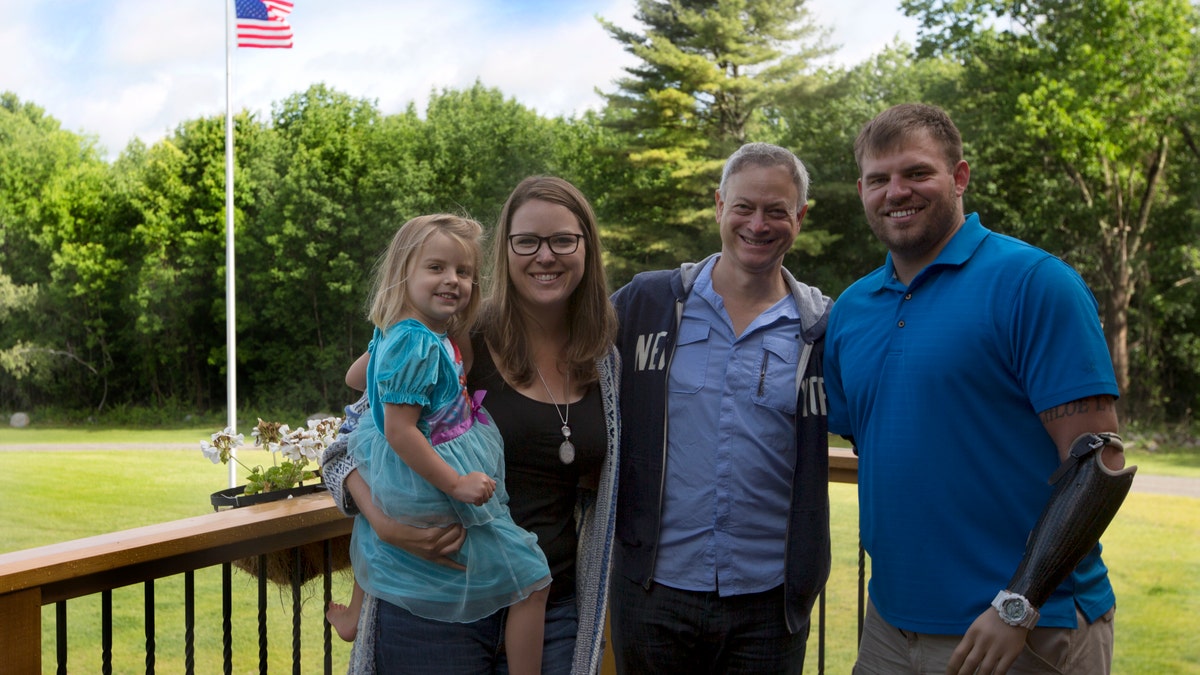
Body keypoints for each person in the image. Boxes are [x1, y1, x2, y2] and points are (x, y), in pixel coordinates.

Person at [823, 103, 1137, 675]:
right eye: (878, 179)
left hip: (1022, 630)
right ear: (862, 191)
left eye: (917, 173)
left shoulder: (1035, 284)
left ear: (960, 177)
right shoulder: (851, 311)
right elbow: (882, 444)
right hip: (889, 629)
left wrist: (1018, 605)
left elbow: (1098, 464)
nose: (896, 191)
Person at [321, 176, 620, 675]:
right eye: (526, 241)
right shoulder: (456, 335)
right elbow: (349, 442)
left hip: (553, 609)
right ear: (505, 251)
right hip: (436, 604)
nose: (545, 255)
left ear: (587, 247)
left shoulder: (603, 361)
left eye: (563, 239)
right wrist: (385, 524)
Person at [609, 142, 833, 674]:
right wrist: (406, 347)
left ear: (799, 218)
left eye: (777, 211)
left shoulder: (823, 329)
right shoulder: (647, 303)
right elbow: (553, 349)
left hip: (769, 601)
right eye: (744, 207)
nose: (758, 224)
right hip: (653, 590)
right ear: (718, 206)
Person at [333, 213, 553, 674]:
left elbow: (356, 378)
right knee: (532, 578)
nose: (452, 280)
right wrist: (456, 484)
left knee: (380, 533)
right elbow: (400, 431)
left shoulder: (410, 335)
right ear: (402, 275)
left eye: (464, 272)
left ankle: (354, 614)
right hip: (427, 472)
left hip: (397, 471)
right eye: (436, 268)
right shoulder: (417, 344)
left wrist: (388, 345)